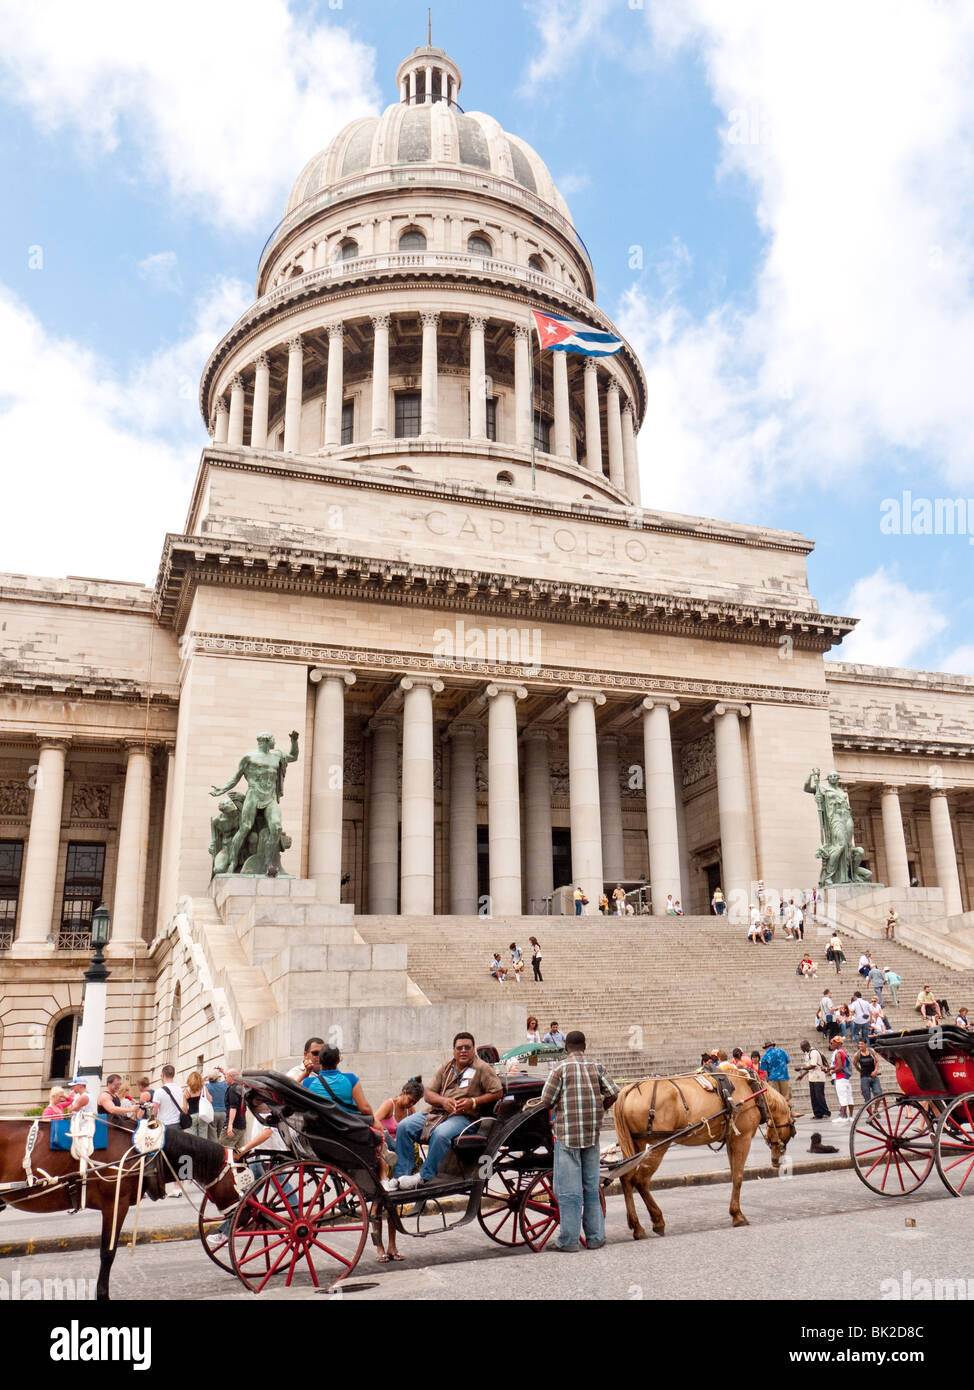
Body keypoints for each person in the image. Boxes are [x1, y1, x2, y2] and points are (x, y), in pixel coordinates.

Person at [385, 1033, 502, 1191]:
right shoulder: (446, 1068)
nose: (463, 1051)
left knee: (440, 1134)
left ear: (473, 1049)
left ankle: (424, 1176)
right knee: (404, 1126)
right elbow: (428, 1094)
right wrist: (444, 1101)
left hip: (464, 1117)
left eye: (467, 1047)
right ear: (453, 1050)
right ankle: (401, 1176)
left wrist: (473, 1102)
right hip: (437, 1113)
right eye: (459, 1048)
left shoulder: (482, 1068)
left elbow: (497, 1092)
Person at [539, 1030, 618, 1252]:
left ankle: (569, 1241)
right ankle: (595, 1238)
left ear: (566, 1046)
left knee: (569, 1191)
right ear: (585, 1045)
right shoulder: (597, 1066)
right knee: (592, 1188)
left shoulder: (560, 1069)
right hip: (591, 1135)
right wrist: (600, 1109)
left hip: (567, 1137)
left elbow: (546, 1100)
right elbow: (614, 1093)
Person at [303, 1045, 374, 1116]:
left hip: (320, 1125)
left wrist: (306, 1073)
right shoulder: (351, 1079)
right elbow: (365, 1109)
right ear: (338, 1060)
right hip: (347, 1124)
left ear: (320, 1061)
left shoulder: (308, 1083)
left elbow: (292, 1092)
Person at [796, 1040, 831, 1120]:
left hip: (818, 1077)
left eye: (802, 1048)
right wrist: (802, 1075)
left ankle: (826, 1112)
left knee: (819, 1096)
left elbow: (813, 1065)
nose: (802, 1050)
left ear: (806, 1047)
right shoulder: (808, 1054)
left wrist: (801, 1068)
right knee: (814, 1097)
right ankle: (818, 1113)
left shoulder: (814, 1053)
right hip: (812, 1078)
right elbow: (809, 1067)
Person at [829, 1036, 854, 1121]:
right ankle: (850, 1116)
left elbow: (839, 1067)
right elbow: (839, 1065)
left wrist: (831, 1072)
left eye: (832, 1043)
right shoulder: (844, 1052)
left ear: (838, 1043)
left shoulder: (838, 1053)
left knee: (842, 1097)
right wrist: (829, 1069)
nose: (831, 1044)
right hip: (846, 1078)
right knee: (849, 1097)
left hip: (840, 1077)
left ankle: (843, 1116)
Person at [223, 1069, 248, 1151]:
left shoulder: (232, 1089)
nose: (225, 1079)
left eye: (226, 1077)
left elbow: (233, 1108)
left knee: (224, 1149)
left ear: (231, 1077)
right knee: (240, 1152)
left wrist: (230, 1125)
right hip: (242, 1124)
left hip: (234, 1125)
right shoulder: (241, 1088)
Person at [183, 1070, 212, 1139]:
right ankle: (202, 1149)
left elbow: (185, 1108)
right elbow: (210, 1099)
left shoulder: (186, 1091)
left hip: (192, 1115)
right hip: (202, 1115)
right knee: (203, 1137)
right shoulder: (203, 1089)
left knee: (191, 1137)